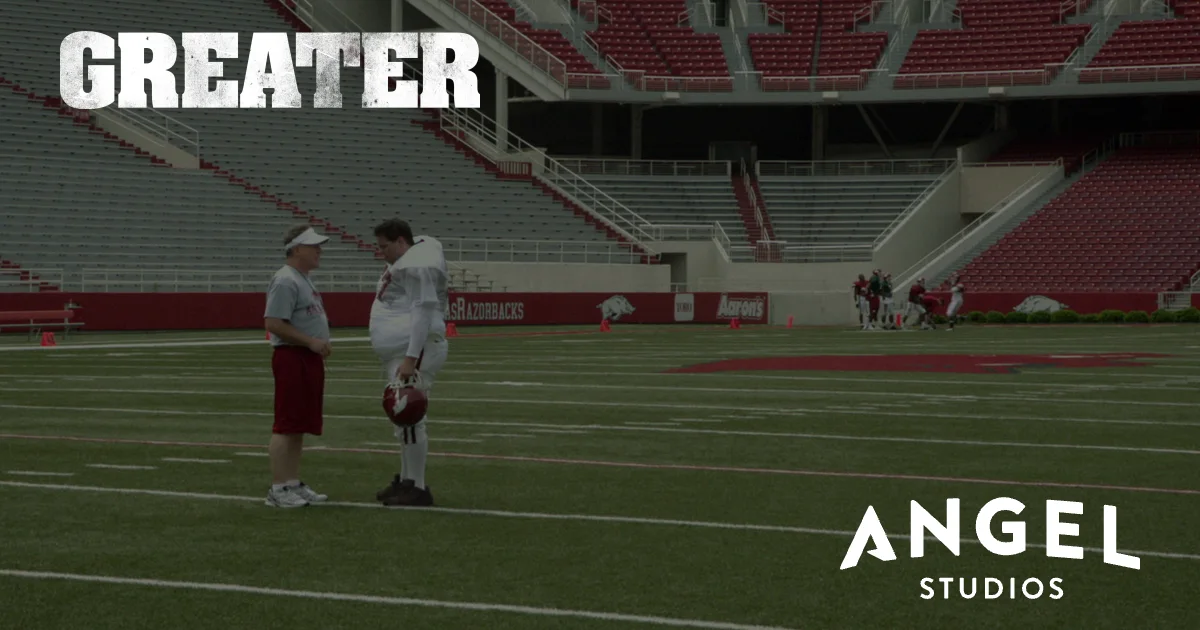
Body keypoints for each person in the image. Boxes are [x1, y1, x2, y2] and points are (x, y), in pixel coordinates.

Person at [369, 219, 450, 507]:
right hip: (404, 350)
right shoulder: (413, 255)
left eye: (385, 246)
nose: (381, 252)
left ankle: (417, 485)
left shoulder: (415, 264)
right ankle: (407, 480)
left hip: (415, 349)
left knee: (410, 415)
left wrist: (411, 358)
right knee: (401, 417)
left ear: (401, 241)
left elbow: (423, 309)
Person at [263, 224, 333, 508]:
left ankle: (291, 482)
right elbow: (273, 323)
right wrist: (310, 341)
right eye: (313, 246)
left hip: (306, 356)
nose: (319, 251)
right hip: (292, 356)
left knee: (299, 424)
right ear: (296, 249)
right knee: (286, 424)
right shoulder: (285, 280)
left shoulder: (303, 279)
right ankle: (278, 488)